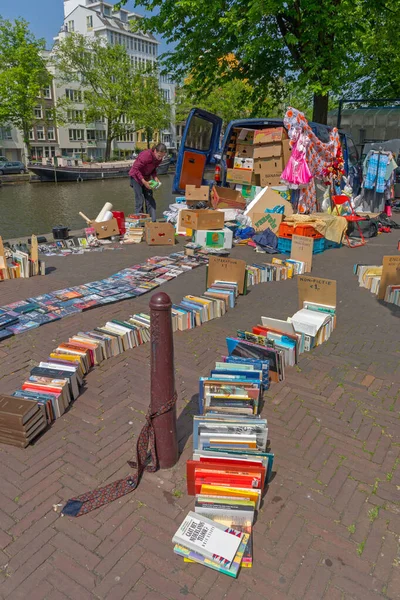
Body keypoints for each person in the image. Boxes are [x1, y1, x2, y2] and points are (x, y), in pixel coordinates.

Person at [129, 143, 167, 221]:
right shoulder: (146, 155)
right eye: (159, 156)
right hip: (136, 177)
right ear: (155, 151)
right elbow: (136, 169)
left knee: (150, 199)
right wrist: (144, 182)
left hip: (146, 177)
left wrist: (155, 177)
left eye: (162, 157)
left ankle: (152, 221)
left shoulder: (159, 159)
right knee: (140, 199)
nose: (160, 159)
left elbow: (153, 169)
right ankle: (140, 222)